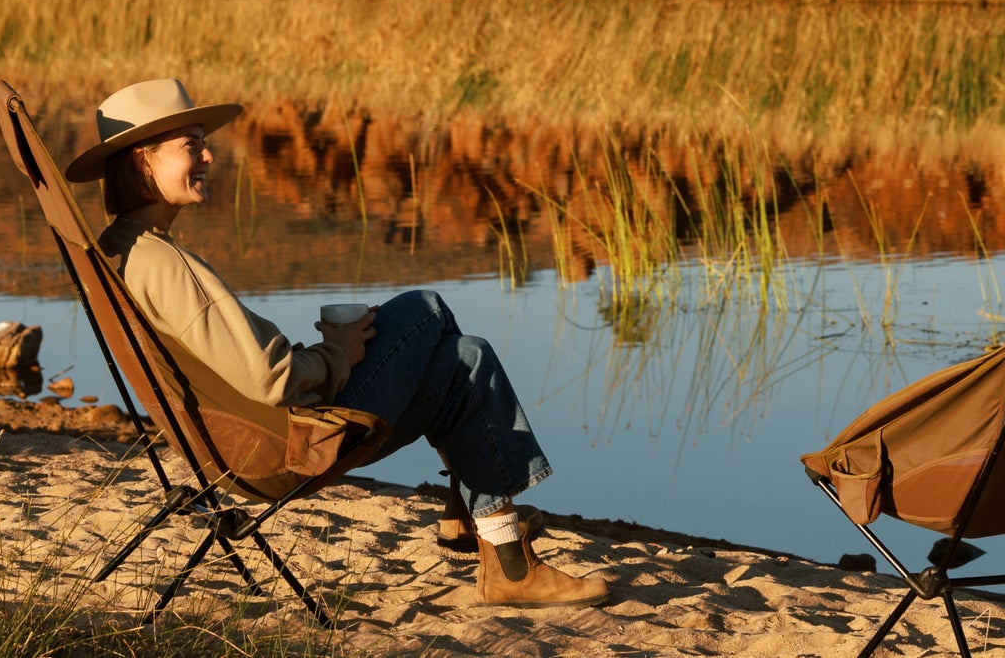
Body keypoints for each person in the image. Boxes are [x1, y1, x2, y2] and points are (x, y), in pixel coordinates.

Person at [63, 77, 609, 609]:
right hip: (281, 447)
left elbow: (236, 369)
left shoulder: (122, 251)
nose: (208, 157)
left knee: (465, 359)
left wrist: (324, 355)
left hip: (233, 445)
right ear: (144, 161)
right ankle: (481, 528)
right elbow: (271, 379)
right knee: (426, 309)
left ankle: (503, 554)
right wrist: (338, 353)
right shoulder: (164, 265)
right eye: (191, 146)